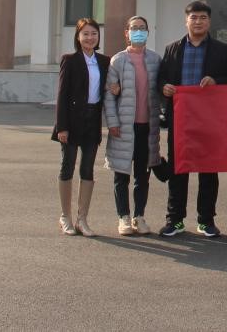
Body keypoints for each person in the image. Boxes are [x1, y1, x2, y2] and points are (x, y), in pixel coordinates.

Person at [157, 0, 227, 238]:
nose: (198, 22)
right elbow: (161, 78)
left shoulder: (221, 50)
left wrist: (216, 81)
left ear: (209, 21)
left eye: (203, 17)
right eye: (194, 17)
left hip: (210, 120)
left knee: (208, 170)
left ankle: (206, 220)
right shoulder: (173, 49)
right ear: (186, 21)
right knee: (178, 169)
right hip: (180, 119)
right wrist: (164, 87)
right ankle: (175, 219)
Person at [103, 15, 162, 236]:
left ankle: (139, 216)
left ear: (148, 32)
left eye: (142, 28)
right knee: (121, 174)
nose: (138, 31)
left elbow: (160, 90)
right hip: (124, 126)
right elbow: (109, 95)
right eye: (134, 28)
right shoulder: (118, 60)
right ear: (126, 33)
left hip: (147, 127)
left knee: (142, 175)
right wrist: (112, 122)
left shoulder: (155, 60)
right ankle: (123, 217)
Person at [51, 18, 109, 237]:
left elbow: (108, 88)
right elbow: (62, 94)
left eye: (94, 33)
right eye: (85, 34)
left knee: (87, 169)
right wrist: (62, 127)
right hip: (72, 120)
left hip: (92, 120)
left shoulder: (104, 61)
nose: (90, 37)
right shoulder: (70, 60)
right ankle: (65, 217)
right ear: (78, 37)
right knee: (67, 166)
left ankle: (82, 219)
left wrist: (116, 87)